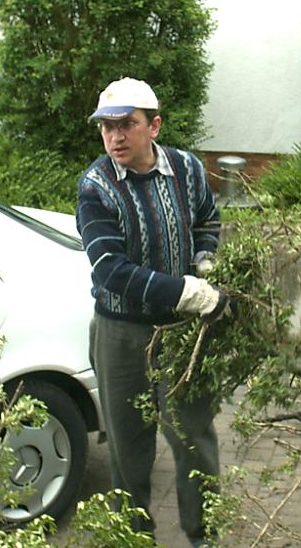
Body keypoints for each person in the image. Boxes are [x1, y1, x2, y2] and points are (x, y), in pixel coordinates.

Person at [76, 77, 225, 548]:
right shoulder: (96, 186)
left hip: (183, 336)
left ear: (153, 126)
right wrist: (189, 292)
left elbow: (208, 219)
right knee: (127, 447)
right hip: (121, 335)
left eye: (126, 125)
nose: (115, 137)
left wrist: (206, 258)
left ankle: (203, 537)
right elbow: (111, 271)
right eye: (107, 127)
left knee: (194, 436)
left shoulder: (188, 169)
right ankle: (133, 539)